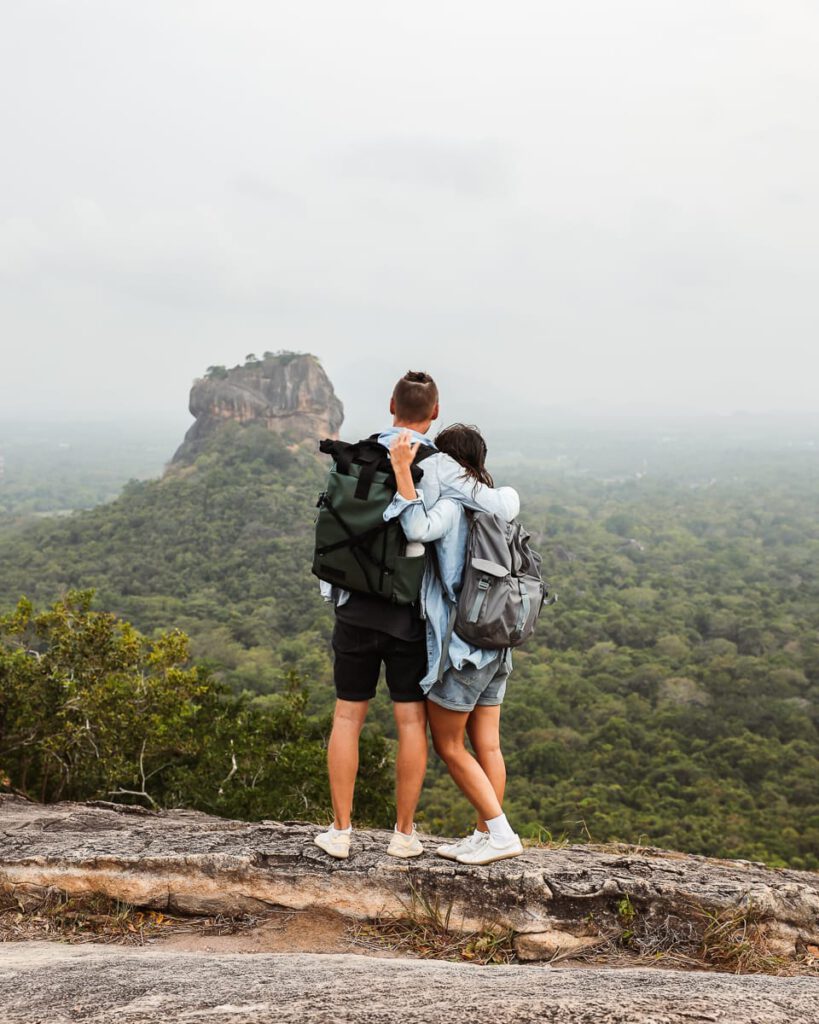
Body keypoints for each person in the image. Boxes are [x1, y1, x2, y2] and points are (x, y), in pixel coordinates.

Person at [314, 372, 519, 861]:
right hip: (410, 614)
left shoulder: (357, 452)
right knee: (411, 725)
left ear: (390, 405)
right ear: (435, 411)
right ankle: (403, 834)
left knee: (346, 717)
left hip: (353, 607)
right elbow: (500, 506)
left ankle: (340, 832)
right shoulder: (444, 465)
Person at [386, 425, 524, 865]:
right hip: (497, 643)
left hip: (463, 647)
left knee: (448, 745)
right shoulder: (495, 509)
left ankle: (500, 834)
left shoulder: (449, 505)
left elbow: (415, 527)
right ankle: (483, 835)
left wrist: (404, 473)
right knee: (489, 746)